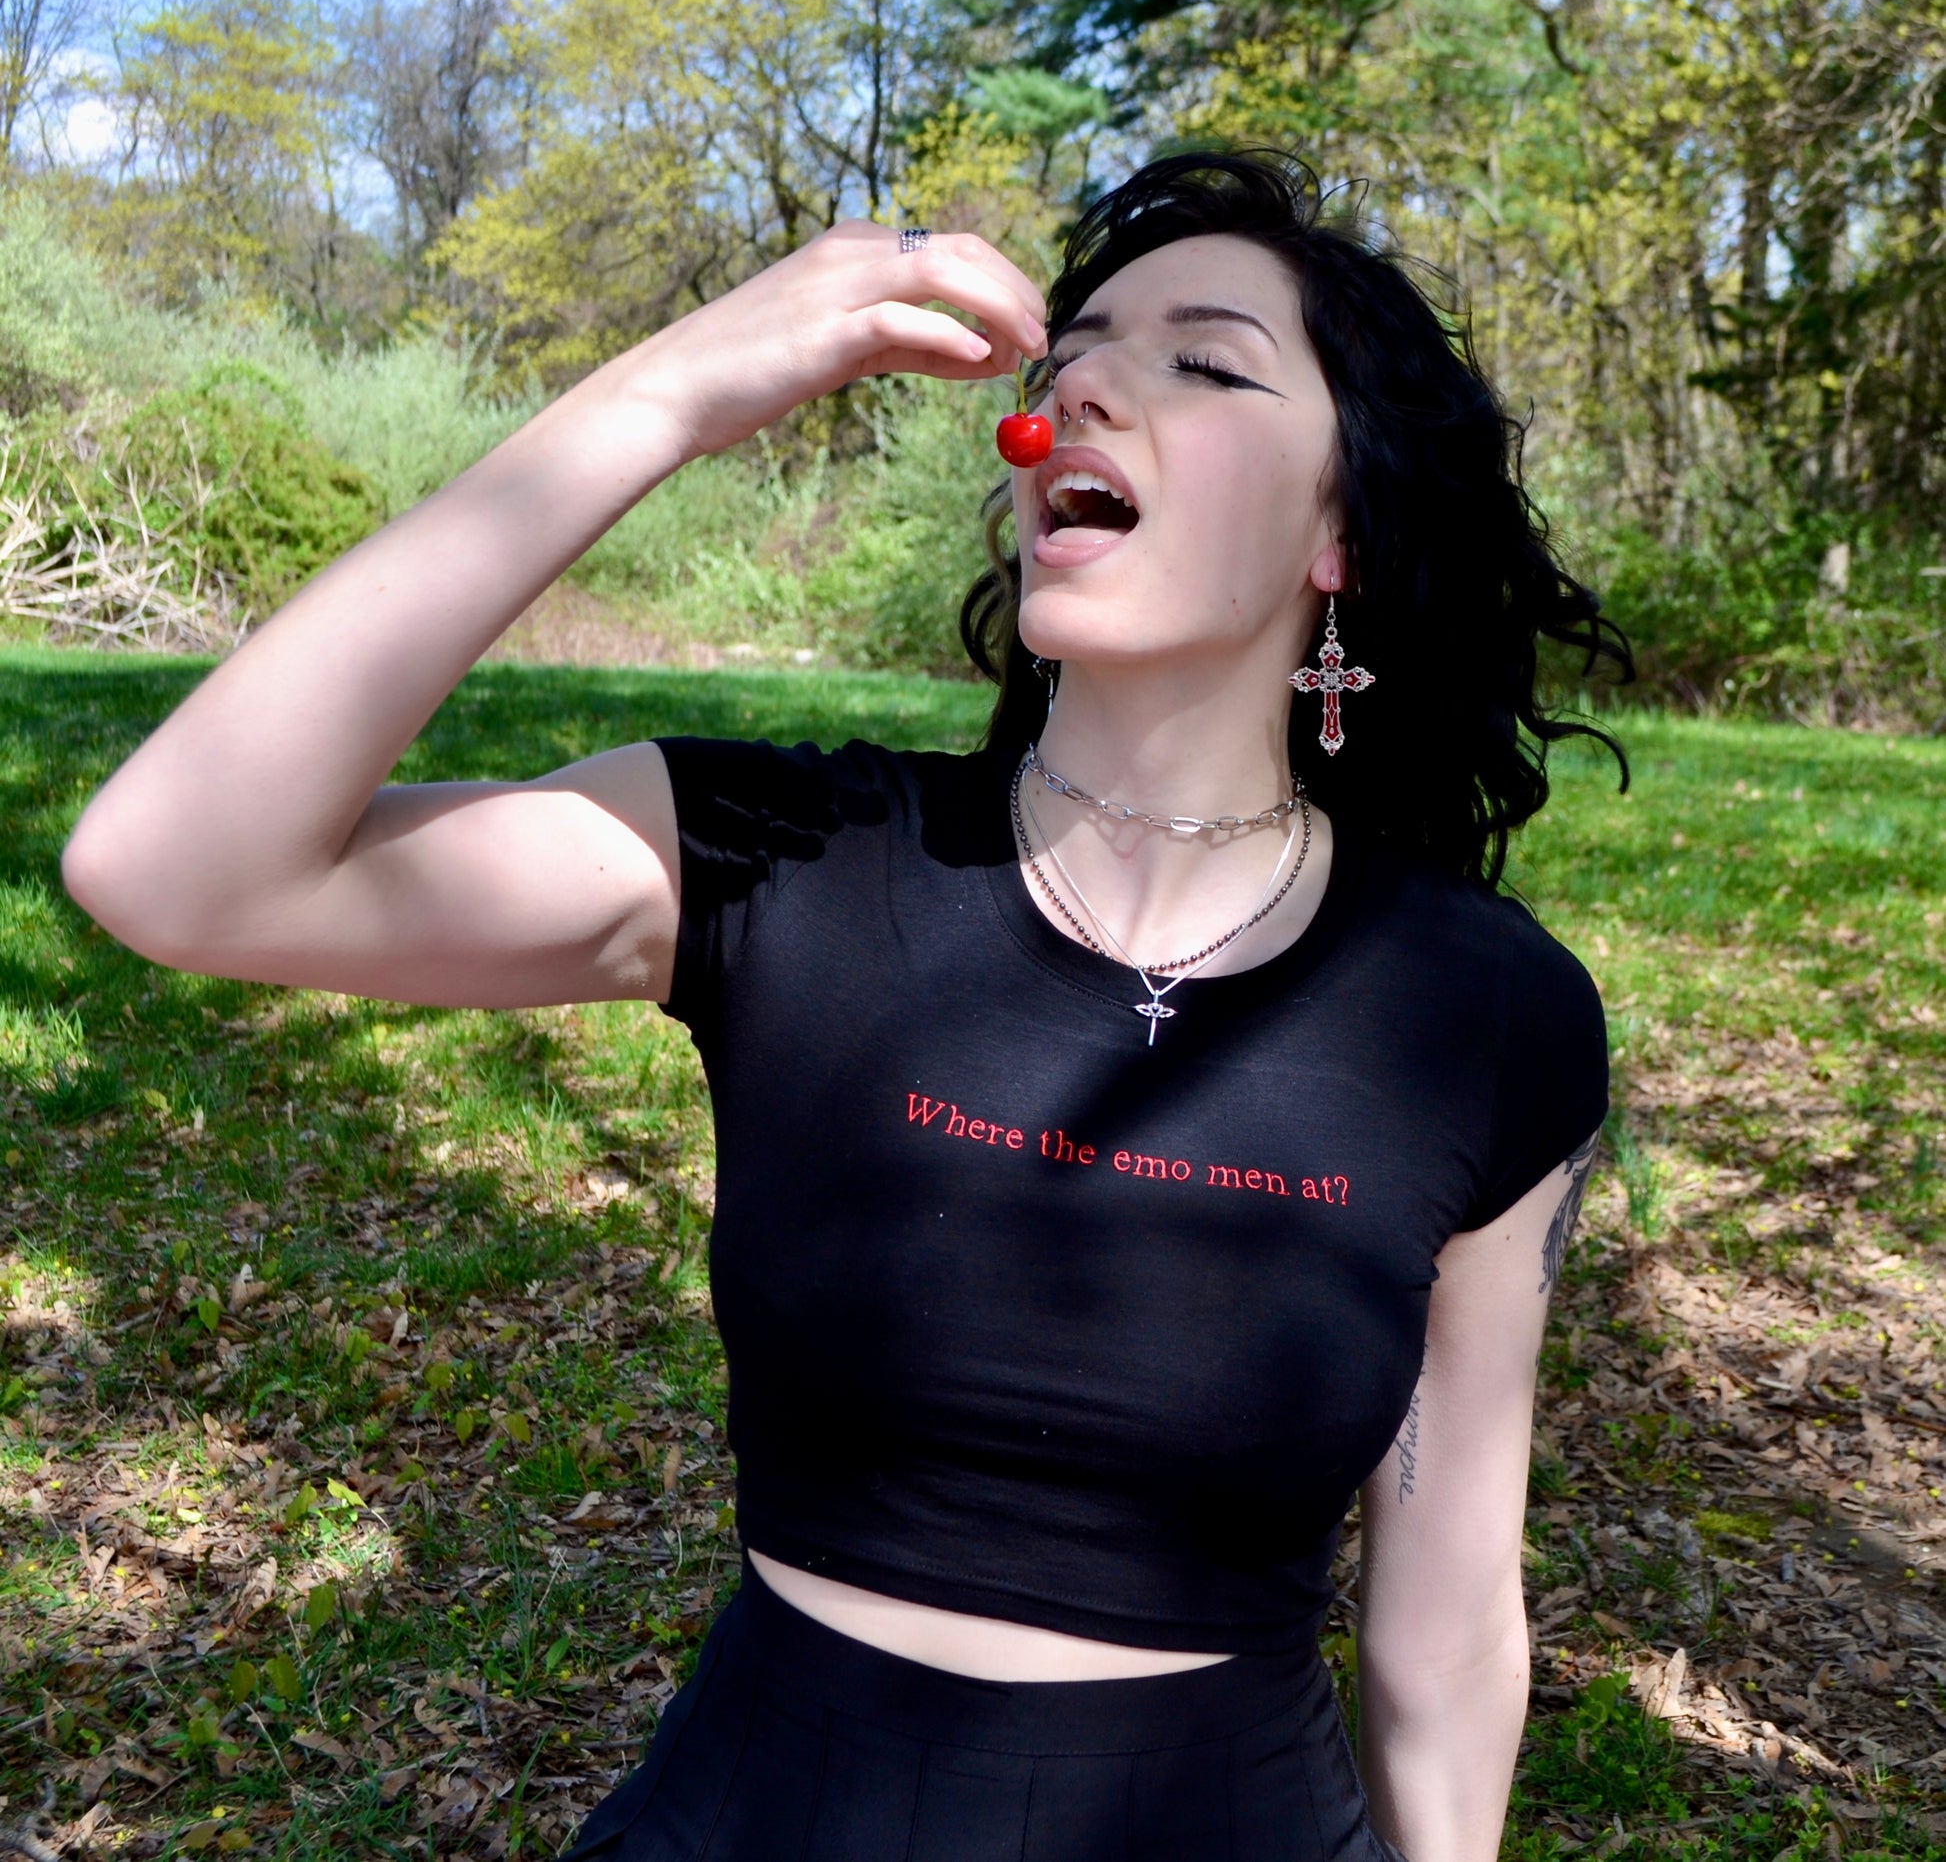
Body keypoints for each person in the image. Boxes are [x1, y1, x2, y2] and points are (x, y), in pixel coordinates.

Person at [62, 149, 1631, 1862]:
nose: (1088, 385)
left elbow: (1448, 1618)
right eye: (1073, 353)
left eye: (1204, 360)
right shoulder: (785, 858)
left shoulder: (1484, 1014)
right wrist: (664, 395)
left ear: (1342, 529)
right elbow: (174, 869)